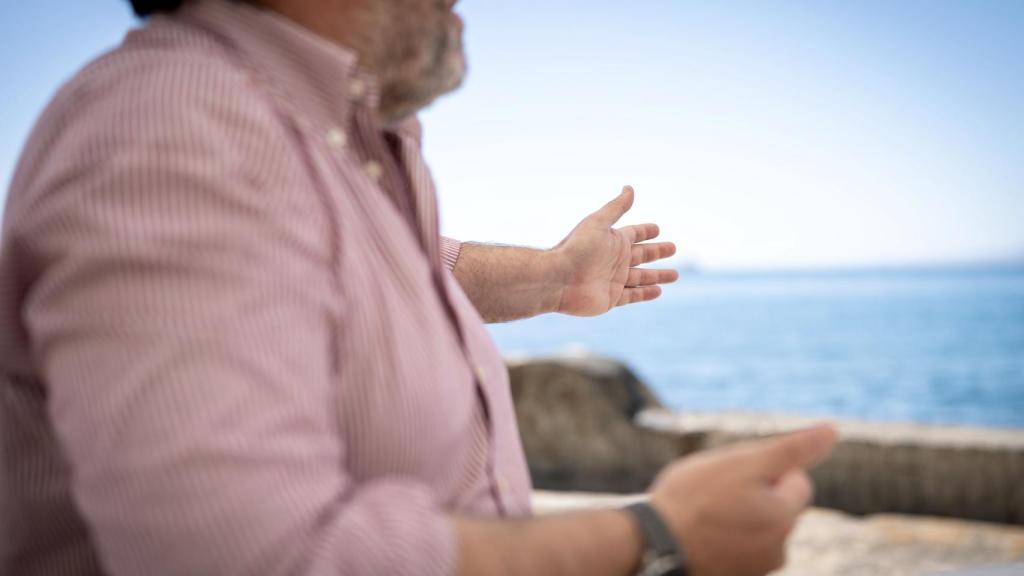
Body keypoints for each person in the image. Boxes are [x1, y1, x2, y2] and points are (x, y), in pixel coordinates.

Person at [0, 0, 838, 575]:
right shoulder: (178, 128)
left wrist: (552, 276)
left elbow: (394, 266)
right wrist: (657, 536)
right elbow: (256, 561)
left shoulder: (329, 132)